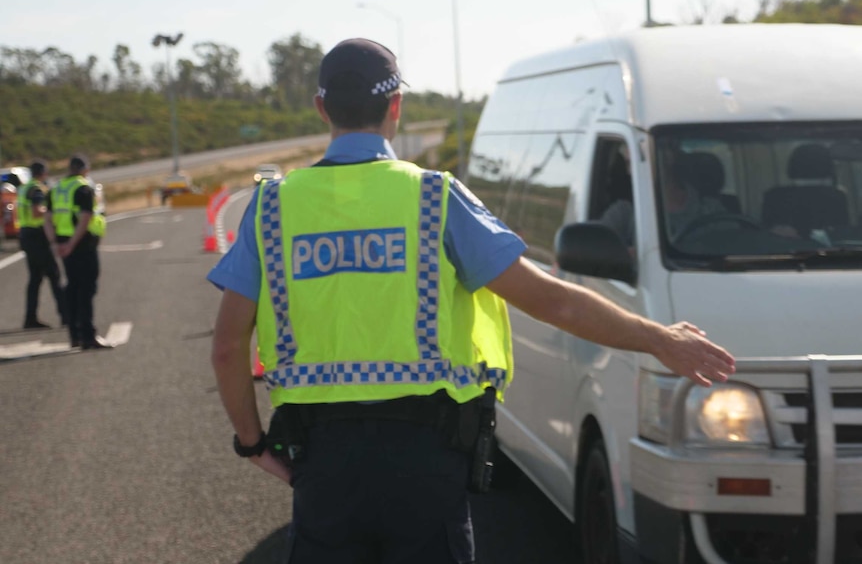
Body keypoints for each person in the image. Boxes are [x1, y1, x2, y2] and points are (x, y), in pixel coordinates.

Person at [208, 38, 735, 564]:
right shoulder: (435, 197)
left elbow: (229, 347)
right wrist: (659, 338)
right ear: (396, 106)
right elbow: (553, 301)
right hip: (425, 464)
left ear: (322, 108)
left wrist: (253, 443)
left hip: (322, 465)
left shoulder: (272, 209)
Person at [43, 155, 112, 350]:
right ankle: (88, 336)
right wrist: (73, 244)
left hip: (63, 243)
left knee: (72, 287)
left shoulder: (56, 189)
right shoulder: (83, 188)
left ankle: (74, 335)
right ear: (85, 169)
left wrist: (54, 243)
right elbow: (85, 218)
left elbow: (47, 219)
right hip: (81, 244)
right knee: (87, 289)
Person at [18, 160, 66, 329]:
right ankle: (66, 316)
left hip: (26, 234)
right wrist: (51, 212)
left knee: (35, 279)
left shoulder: (25, 187)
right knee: (54, 275)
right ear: (43, 173)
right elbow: (37, 211)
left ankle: (30, 318)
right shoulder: (37, 189)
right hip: (37, 236)